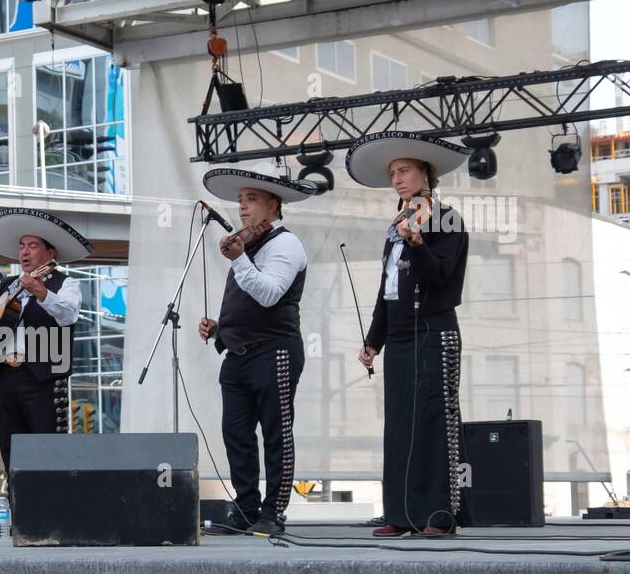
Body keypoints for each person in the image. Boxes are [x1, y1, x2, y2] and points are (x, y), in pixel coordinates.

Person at [347, 131, 470, 536]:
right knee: (399, 424)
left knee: (434, 421)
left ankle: (439, 513)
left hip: (433, 331)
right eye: (393, 174)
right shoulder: (395, 227)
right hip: (399, 337)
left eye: (404, 171)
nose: (397, 179)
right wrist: (372, 340)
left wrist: (416, 242)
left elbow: (439, 278)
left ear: (425, 175)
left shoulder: (447, 219)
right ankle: (399, 513)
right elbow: (388, 290)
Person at [197, 166, 317, 536]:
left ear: (273, 206)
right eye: (240, 200)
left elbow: (268, 293)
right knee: (236, 433)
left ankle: (273, 511)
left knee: (276, 432)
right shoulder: (249, 245)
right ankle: (246, 507)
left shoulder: (285, 244)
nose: (242, 208)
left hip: (274, 351)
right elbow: (249, 302)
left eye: (250, 200)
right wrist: (221, 327)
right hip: (239, 353)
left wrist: (238, 260)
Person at [0, 208, 90, 475]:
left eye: (33, 246)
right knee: (10, 449)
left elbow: (68, 315)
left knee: (47, 449)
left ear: (50, 253)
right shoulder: (6, 285)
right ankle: (16, 510)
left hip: (43, 377)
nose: (25, 252)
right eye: (22, 246)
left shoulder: (66, 284)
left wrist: (43, 293)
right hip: (7, 376)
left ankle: (50, 512)